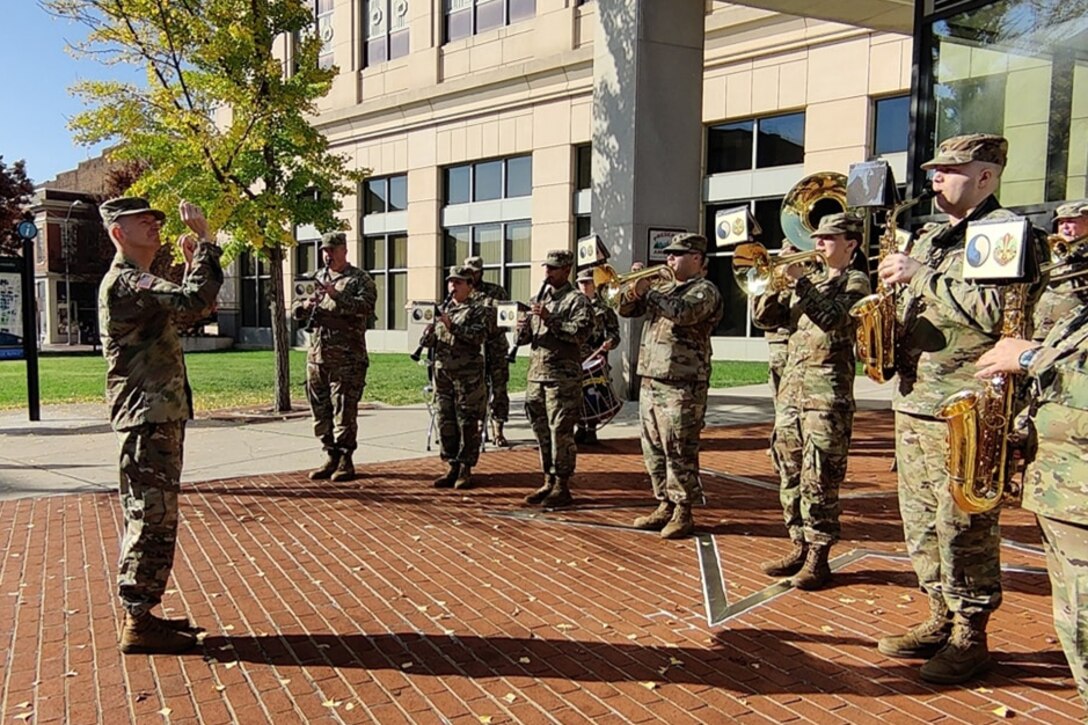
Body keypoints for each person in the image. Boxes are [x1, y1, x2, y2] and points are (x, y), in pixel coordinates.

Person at [875, 133, 1048, 684]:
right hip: (917, 401)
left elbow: (989, 308)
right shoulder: (931, 236)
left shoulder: (1003, 233)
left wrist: (918, 275)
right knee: (921, 522)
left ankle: (971, 633)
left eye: (950, 170)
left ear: (986, 177)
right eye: (935, 170)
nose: (936, 178)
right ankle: (939, 616)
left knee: (964, 524)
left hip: (968, 407)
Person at [98, 197, 222, 654]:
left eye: (155, 219)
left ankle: (143, 613)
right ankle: (137, 619)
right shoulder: (128, 281)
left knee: (155, 516)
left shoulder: (137, 282)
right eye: (142, 220)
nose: (154, 224)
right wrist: (207, 243)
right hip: (147, 416)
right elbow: (193, 300)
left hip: (155, 415)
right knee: (151, 518)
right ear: (117, 232)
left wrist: (195, 265)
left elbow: (192, 308)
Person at [973, 304, 1088, 711]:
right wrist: (1020, 429)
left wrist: (1029, 358)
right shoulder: (1080, 314)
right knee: (1076, 631)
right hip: (1063, 499)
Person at [752, 213, 871, 589]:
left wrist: (802, 282)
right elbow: (765, 320)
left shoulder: (857, 282)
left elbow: (833, 319)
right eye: (817, 237)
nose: (818, 244)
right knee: (788, 469)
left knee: (819, 476)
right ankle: (798, 543)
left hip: (826, 396)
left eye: (828, 239)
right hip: (792, 392)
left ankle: (819, 556)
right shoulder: (812, 281)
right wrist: (774, 284)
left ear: (851, 244)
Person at [618, 233, 723, 539]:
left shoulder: (705, 290)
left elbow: (683, 313)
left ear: (697, 260)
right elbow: (625, 310)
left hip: (683, 385)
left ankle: (683, 510)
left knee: (679, 448)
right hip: (651, 380)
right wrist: (634, 290)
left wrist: (648, 292)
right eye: (669, 254)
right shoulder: (663, 287)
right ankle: (663, 502)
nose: (669, 258)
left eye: (678, 254)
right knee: (653, 449)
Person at [291, 232, 377, 483]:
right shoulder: (315, 278)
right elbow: (295, 309)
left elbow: (366, 307)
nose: (328, 255)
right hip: (317, 357)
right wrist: (305, 306)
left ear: (344, 251)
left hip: (347, 358)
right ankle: (329, 454)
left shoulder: (359, 279)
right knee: (320, 410)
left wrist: (336, 294)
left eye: (332, 250)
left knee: (344, 411)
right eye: (324, 250)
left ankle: (345, 460)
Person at [517, 249, 594, 508]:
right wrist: (522, 329)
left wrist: (551, 319)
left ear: (566, 270)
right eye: (546, 268)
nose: (548, 273)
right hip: (537, 376)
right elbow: (528, 339)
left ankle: (562, 484)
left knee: (560, 431)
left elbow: (580, 334)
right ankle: (548, 479)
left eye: (553, 268)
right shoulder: (538, 299)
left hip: (562, 378)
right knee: (541, 432)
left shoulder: (576, 301)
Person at [422, 266, 491, 490]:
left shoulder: (478, 310)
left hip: (467, 376)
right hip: (443, 374)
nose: (453, 286)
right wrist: (427, 336)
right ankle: (450, 464)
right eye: (451, 282)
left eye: (459, 282)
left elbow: (477, 337)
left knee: (467, 422)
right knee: (445, 419)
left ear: (470, 286)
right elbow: (435, 342)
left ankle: (465, 467)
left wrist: (452, 326)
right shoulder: (444, 310)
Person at [464, 256, 512, 446]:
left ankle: (498, 430)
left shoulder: (496, 292)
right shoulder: (463, 293)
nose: (472, 275)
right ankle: (476, 429)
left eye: (474, 272)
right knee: (476, 391)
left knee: (499, 390)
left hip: (496, 348)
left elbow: (507, 319)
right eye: (469, 271)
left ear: (481, 271)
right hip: (474, 350)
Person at [574, 267, 621, 445]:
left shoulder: (604, 307)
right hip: (575, 358)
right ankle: (579, 427)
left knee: (592, 393)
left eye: (588, 282)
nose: (585, 286)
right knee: (575, 394)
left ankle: (591, 429)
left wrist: (610, 342)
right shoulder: (573, 305)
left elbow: (614, 332)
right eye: (581, 283)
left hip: (596, 356)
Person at [1033, 200, 1088, 340]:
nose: (1065, 227)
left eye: (1070, 221)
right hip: (1039, 331)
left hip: (1069, 336)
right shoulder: (1052, 253)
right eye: (1061, 223)